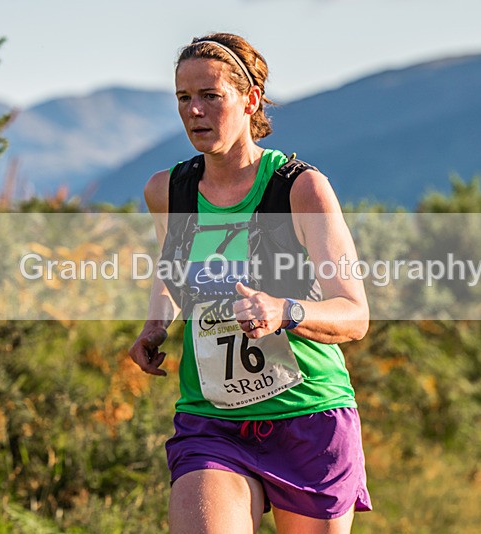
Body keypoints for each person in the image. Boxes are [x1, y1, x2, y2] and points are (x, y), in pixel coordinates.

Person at [129, 32, 371, 534]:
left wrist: (286, 310)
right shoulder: (166, 190)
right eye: (183, 98)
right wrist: (155, 325)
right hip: (212, 419)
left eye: (210, 96)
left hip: (308, 417)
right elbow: (172, 272)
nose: (194, 110)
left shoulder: (299, 188)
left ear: (251, 99)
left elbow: (353, 313)